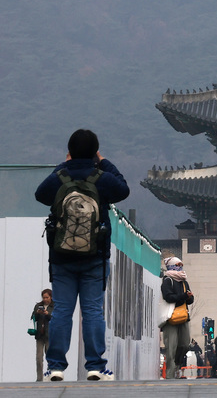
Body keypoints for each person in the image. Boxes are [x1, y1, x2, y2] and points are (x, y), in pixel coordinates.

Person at [33, 128, 130, 381]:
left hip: (62, 257)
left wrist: (63, 166)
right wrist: (103, 161)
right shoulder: (101, 177)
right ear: (95, 153)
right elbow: (123, 189)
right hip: (94, 256)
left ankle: (55, 367)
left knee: (62, 311)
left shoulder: (60, 177)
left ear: (70, 152)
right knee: (93, 312)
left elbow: (40, 194)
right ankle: (95, 366)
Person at [160, 256, 195, 379]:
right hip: (170, 317)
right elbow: (168, 297)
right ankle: (170, 374)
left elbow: (190, 300)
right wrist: (183, 296)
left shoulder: (184, 281)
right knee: (171, 347)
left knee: (185, 344)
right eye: (177, 265)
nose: (180, 268)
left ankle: (178, 364)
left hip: (183, 317)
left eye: (181, 266)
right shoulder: (167, 280)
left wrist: (189, 297)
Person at [31, 289, 53, 382]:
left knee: (50, 357)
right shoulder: (38, 305)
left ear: (51, 297)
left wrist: (48, 314)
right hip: (40, 335)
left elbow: (57, 318)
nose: (45, 299)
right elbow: (32, 317)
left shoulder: (54, 306)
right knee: (39, 358)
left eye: (47, 297)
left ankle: (50, 376)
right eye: (43, 297)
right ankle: (39, 378)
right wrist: (37, 313)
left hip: (50, 335)